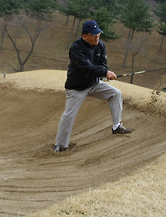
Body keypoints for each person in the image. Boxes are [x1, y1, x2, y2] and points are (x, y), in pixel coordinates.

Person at [54, 20, 132, 152]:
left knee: (116, 93)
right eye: (94, 35)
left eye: (98, 34)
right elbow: (86, 67)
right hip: (76, 88)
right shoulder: (76, 48)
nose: (97, 37)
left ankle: (116, 126)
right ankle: (60, 145)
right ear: (85, 36)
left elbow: (103, 64)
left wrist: (105, 72)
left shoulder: (100, 46)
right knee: (69, 115)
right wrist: (105, 72)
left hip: (94, 84)